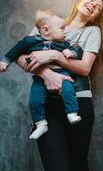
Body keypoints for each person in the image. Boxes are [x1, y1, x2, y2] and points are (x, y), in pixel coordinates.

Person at [15, 0, 103, 171]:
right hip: (46, 104)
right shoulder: (49, 22)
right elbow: (21, 56)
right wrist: (47, 74)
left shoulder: (92, 31)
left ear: (96, 16)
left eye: (98, 6)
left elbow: (84, 68)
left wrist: (55, 55)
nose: (93, 4)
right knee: (56, 165)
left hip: (79, 102)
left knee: (78, 165)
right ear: (79, 1)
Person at [0, 9, 83, 139]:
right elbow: (15, 51)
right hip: (40, 78)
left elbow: (77, 52)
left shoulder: (64, 44)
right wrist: (5, 62)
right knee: (35, 99)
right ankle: (40, 123)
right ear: (45, 30)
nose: (65, 31)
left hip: (63, 73)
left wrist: (71, 53)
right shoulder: (29, 41)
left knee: (68, 90)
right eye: (62, 28)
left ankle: (72, 112)